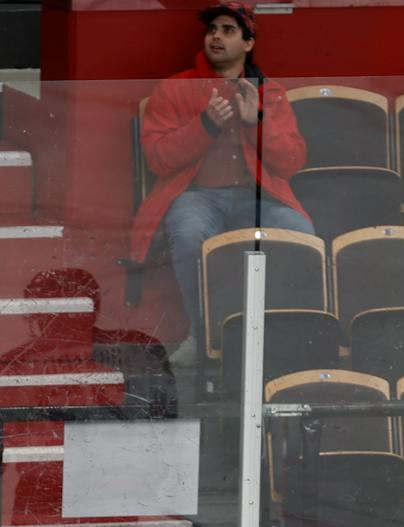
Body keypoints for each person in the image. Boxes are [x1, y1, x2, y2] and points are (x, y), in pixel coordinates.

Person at [130, 3, 310, 369]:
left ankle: (281, 334)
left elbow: (291, 161)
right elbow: (158, 159)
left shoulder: (270, 92)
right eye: (212, 29)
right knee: (189, 231)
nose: (216, 36)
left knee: (300, 232)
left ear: (248, 42)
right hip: (197, 197)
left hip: (256, 199)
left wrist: (255, 121)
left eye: (228, 30)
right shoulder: (173, 89)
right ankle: (203, 336)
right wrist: (206, 127)